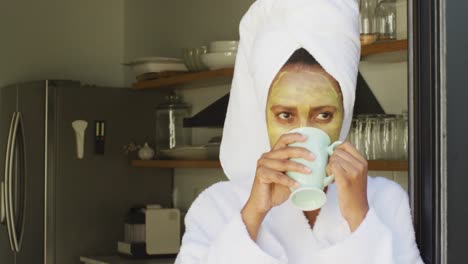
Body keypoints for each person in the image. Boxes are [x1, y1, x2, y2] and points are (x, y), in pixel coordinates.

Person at [175, 0, 424, 263]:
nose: (304, 132)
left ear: (345, 112)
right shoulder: (218, 205)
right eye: (285, 115)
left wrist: (359, 216)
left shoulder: (385, 200)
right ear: (262, 115)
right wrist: (253, 214)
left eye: (324, 115)